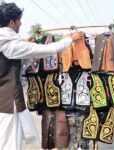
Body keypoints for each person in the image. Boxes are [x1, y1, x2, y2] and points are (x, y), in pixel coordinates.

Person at [0, 2, 84, 150]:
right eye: (19, 20)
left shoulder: (6, 43)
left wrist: (24, 44)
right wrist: (71, 39)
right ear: (11, 22)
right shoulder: (11, 45)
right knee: (10, 144)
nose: (21, 23)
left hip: (3, 102)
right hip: (8, 103)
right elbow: (47, 49)